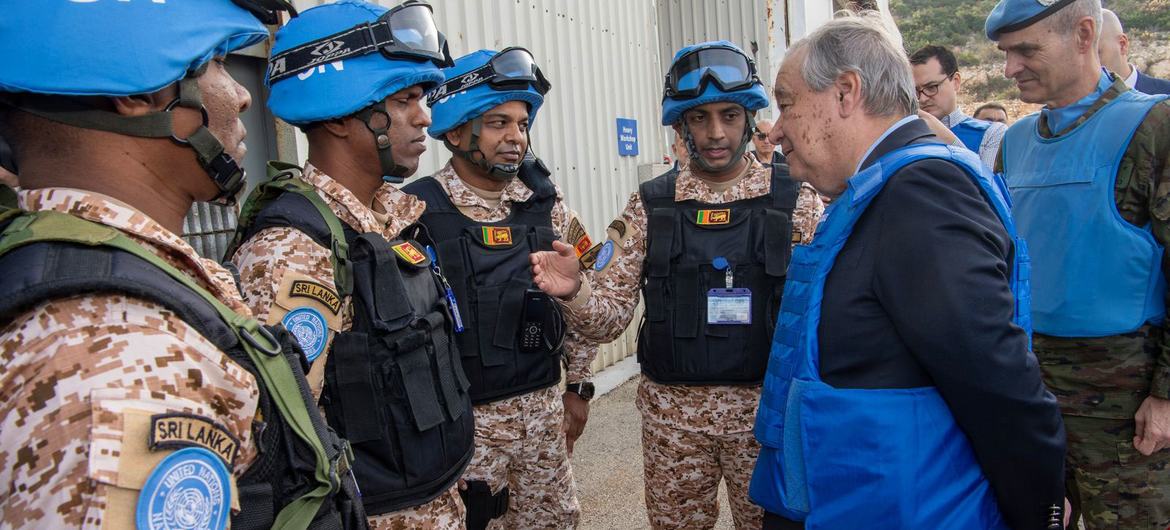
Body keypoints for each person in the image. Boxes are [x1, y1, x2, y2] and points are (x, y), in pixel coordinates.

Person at [0, 1, 368, 529]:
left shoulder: (94, 270)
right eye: (217, 61)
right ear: (137, 90)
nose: (242, 94)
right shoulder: (119, 348)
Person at [749, 12, 1068, 530]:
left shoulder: (921, 195)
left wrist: (1042, 512)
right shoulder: (878, 192)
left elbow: (997, 381)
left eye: (786, 105)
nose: (777, 130)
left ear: (846, 92)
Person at [531, 40, 824, 530]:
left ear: (750, 119)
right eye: (699, 118)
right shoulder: (649, 206)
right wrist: (576, 293)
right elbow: (610, 320)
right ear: (680, 125)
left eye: (730, 115)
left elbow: (824, 314)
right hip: (673, 423)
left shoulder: (796, 200)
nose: (715, 133)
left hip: (766, 420)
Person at [225, 2, 475, 528]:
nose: (425, 117)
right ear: (341, 113)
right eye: (406, 100)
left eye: (422, 99)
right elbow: (279, 446)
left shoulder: (389, 221)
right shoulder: (294, 249)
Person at [988, 0, 1170, 526]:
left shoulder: (1153, 127)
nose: (1009, 69)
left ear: (1085, 34)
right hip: (1034, 398)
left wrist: (1165, 396)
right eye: (1004, 53)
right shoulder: (1016, 143)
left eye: (1026, 51)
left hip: (1126, 409)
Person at [401, 48, 595, 530]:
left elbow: (597, 315)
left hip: (543, 426)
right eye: (497, 123)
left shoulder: (546, 207)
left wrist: (579, 386)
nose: (515, 138)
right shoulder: (411, 213)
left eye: (522, 124)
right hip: (467, 437)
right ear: (454, 130)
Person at [910, 44, 1008, 169]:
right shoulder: (906, 135)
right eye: (915, 91)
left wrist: (947, 138)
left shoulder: (991, 133)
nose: (922, 98)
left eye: (931, 87)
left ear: (956, 81)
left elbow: (988, 184)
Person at [1098, 9, 1170, 95]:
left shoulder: (1166, 94)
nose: (1085, 63)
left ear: (1122, 45)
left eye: (1096, 53)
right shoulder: (1079, 103)